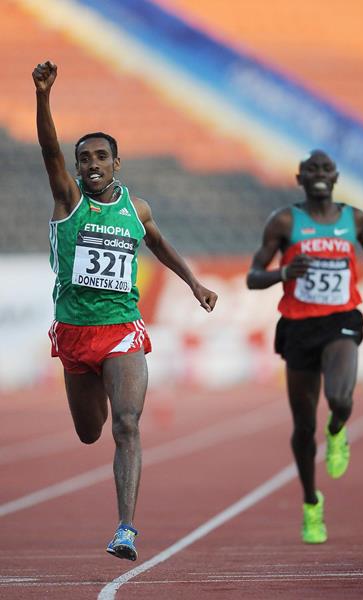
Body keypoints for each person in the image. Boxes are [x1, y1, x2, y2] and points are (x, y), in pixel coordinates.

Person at [33, 60, 218, 561]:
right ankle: (120, 512)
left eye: (100, 157)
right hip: (75, 332)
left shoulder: (137, 210)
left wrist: (193, 281)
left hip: (122, 332)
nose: (91, 164)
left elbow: (158, 243)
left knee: (127, 425)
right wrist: (44, 96)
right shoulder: (68, 201)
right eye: (84, 158)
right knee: (90, 432)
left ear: (117, 164)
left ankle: (125, 530)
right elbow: (49, 150)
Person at [247, 150, 363, 544]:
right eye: (312, 169)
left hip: (341, 319)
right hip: (298, 327)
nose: (320, 174)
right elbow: (252, 277)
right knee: (303, 427)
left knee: (341, 398)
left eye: (326, 168)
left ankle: (339, 428)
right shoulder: (285, 221)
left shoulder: (354, 218)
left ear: (337, 175)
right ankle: (311, 502)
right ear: (300, 177)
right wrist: (282, 273)